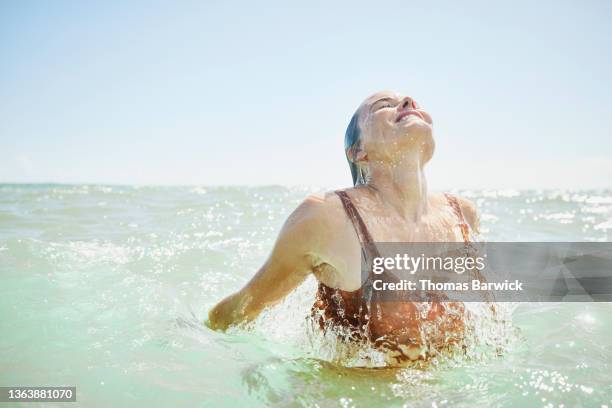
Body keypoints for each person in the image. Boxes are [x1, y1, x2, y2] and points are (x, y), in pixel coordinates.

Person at [208, 91, 480, 364]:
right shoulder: (327, 217)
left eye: (414, 102)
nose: (409, 102)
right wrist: (195, 336)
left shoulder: (462, 216)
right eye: (384, 106)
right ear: (359, 152)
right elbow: (246, 306)